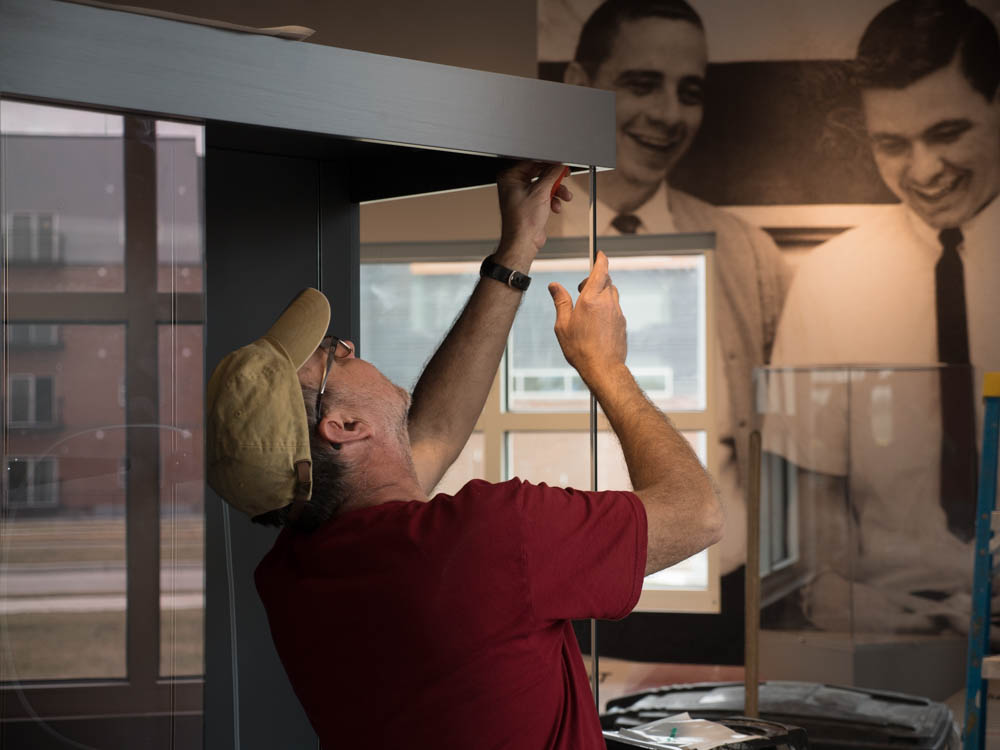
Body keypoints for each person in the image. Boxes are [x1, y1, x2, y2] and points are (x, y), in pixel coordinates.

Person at [205, 161, 722, 749]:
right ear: (345, 425)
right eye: (336, 356)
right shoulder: (492, 537)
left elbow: (433, 433)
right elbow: (697, 513)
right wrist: (607, 367)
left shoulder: (294, 575)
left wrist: (517, 252)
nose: (349, 346)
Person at [553, 0, 791, 660]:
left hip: (713, 612)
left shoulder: (748, 253)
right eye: (641, 83)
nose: (668, 114)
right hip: (556, 602)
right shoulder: (513, 239)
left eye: (689, 91)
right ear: (578, 86)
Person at [767, 0, 1000, 637]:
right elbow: (811, 496)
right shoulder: (827, 280)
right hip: (890, 632)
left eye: (949, 133)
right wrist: (841, 601)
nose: (923, 170)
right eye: (893, 144)